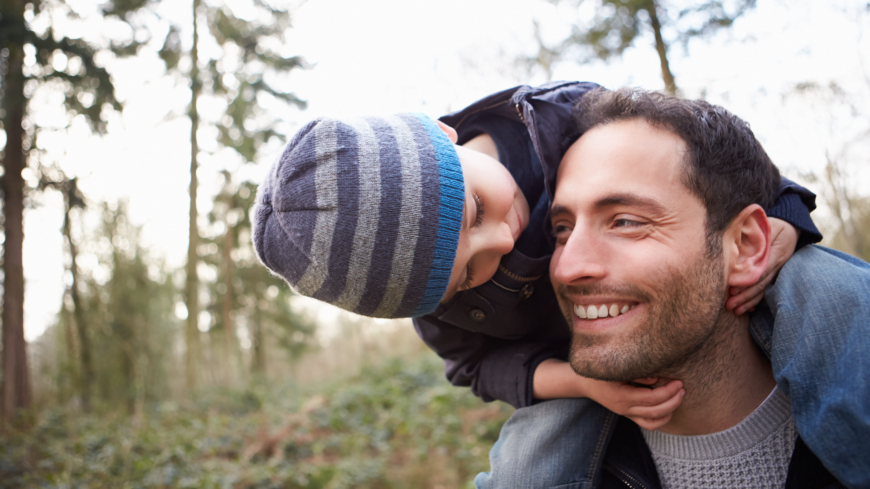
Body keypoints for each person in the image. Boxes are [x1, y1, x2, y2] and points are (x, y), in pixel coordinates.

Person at [481, 87, 869, 488]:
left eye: (625, 221)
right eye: (562, 230)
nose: (568, 268)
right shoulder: (539, 469)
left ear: (746, 246)